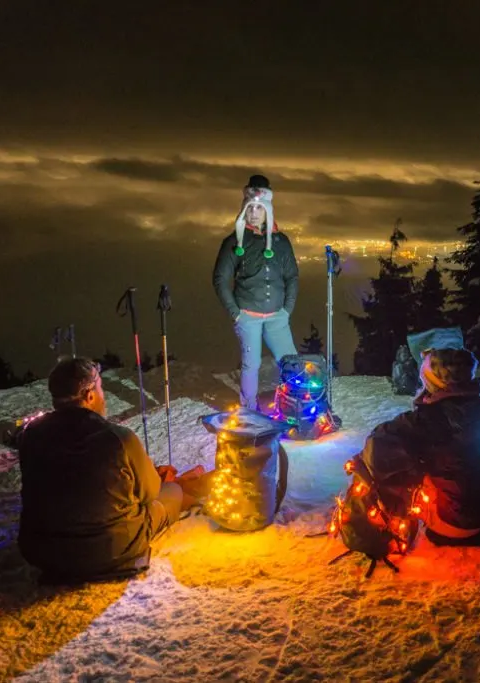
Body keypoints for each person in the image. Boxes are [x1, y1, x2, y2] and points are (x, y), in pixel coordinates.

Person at [17, 357, 204, 583]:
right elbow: (151, 492)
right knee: (172, 491)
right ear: (90, 396)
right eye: (101, 388)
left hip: (43, 552)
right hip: (111, 548)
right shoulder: (118, 438)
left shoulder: (30, 435)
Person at [357, 348, 480, 546]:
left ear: (432, 382)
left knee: (397, 463)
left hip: (455, 523)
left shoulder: (426, 418)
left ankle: (389, 518)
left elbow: (378, 446)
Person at [213, 174, 300, 410]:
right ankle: (249, 409)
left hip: (277, 317)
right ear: (244, 209)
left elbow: (292, 275)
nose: (254, 212)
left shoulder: (281, 242)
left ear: (268, 210)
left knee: (290, 361)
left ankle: (296, 405)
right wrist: (235, 312)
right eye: (250, 207)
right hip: (247, 316)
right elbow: (220, 278)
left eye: (259, 208)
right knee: (251, 364)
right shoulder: (235, 242)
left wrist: (287, 310)